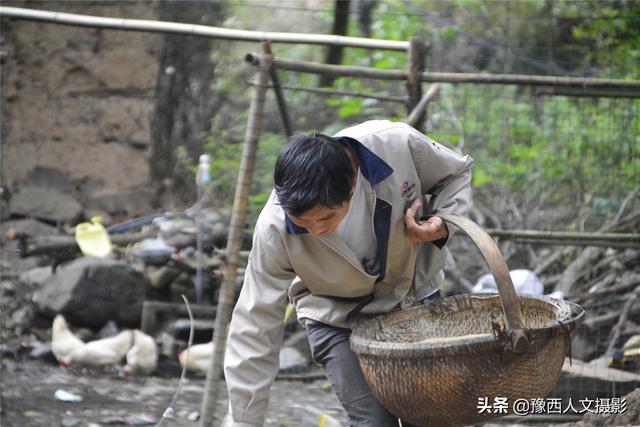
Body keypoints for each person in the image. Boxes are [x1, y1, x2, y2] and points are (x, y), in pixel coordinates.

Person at [223, 120, 474, 426]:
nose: (315, 230)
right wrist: (244, 421)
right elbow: (255, 324)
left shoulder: (395, 145)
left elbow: (456, 174)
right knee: (373, 422)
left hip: (414, 298)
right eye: (302, 223)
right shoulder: (273, 230)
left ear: (353, 186)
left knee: (429, 416)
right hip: (336, 318)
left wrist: (444, 221)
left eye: (326, 218)